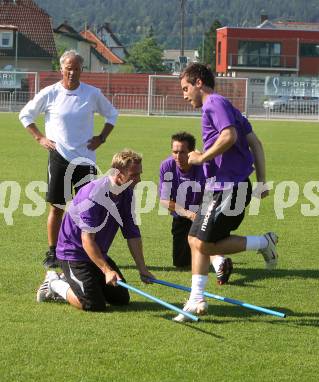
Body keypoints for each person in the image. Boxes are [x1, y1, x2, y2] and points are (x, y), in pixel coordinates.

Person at [173, 63, 278, 322]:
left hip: (229, 188)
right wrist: (262, 181)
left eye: (186, 88)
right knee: (194, 240)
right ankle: (196, 299)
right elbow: (255, 143)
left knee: (203, 243)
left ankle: (197, 299)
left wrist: (201, 158)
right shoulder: (228, 106)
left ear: (199, 82)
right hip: (220, 187)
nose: (184, 95)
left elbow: (229, 136)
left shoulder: (214, 104)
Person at [19, 49, 118, 269]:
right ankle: (53, 252)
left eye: (76, 68)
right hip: (60, 158)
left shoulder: (92, 94)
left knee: (87, 207)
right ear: (61, 69)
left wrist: (101, 137)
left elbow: (112, 114)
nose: (72, 72)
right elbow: (25, 114)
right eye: (68, 68)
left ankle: (88, 250)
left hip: (86, 160)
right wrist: (40, 138)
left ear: (82, 70)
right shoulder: (50, 93)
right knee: (57, 207)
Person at [36, 149, 155, 312]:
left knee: (120, 299)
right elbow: (87, 240)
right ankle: (54, 283)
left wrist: (142, 268)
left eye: (139, 174)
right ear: (119, 174)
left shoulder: (126, 193)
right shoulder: (94, 195)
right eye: (134, 175)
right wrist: (106, 270)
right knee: (93, 304)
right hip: (74, 254)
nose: (139, 180)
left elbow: (132, 233)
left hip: (97, 253)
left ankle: (76, 280)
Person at [159, 131, 233, 284]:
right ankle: (216, 258)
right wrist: (188, 214)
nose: (178, 156)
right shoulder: (167, 166)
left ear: (192, 152)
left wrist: (199, 215)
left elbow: (213, 196)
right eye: (175, 152)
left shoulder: (203, 166)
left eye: (183, 152)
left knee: (202, 242)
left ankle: (220, 263)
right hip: (182, 215)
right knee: (181, 263)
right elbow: (165, 200)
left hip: (205, 210)